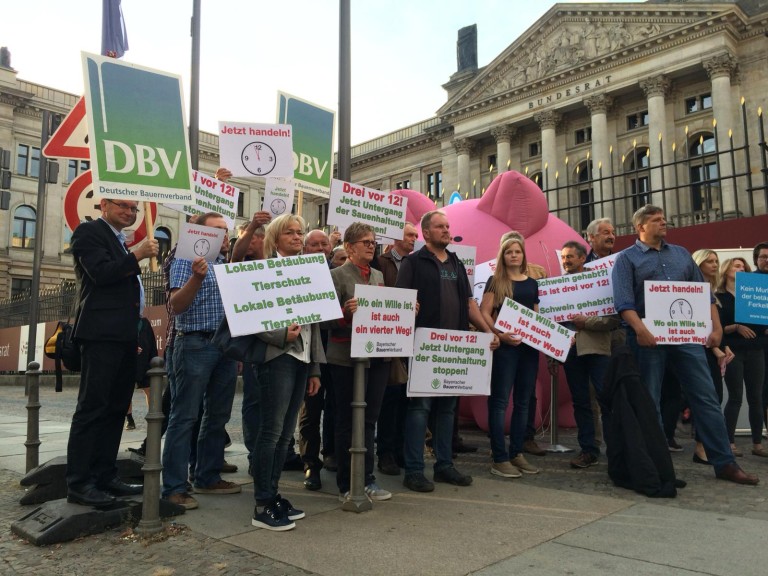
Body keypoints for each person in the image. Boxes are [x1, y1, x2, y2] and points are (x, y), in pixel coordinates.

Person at [612, 204, 758, 485]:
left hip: (686, 339)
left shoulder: (680, 254)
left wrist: (715, 327)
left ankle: (725, 463)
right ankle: (657, 466)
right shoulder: (626, 259)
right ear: (640, 227)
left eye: (664, 218)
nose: (664, 222)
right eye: (656, 220)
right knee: (650, 401)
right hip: (648, 339)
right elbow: (624, 302)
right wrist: (640, 330)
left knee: (706, 397)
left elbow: (703, 294)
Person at [396, 210, 499, 492]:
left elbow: (469, 304)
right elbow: (400, 302)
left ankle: (444, 466)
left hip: (454, 348)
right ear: (426, 233)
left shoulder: (455, 261)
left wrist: (489, 332)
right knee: (420, 409)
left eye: (447, 226)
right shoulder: (413, 262)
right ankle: (415, 469)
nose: (446, 230)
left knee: (447, 409)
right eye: (440, 226)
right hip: (424, 347)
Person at [66, 198, 158, 507]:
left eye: (134, 209)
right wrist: (137, 255)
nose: (130, 213)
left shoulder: (120, 242)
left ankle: (105, 475)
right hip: (100, 335)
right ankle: (79, 483)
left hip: (123, 336)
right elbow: (102, 274)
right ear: (104, 204)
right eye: (124, 206)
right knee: (93, 407)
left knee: (117, 407)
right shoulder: (88, 233)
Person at [250, 214, 324, 531]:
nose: (297, 237)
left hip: (303, 359)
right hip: (277, 357)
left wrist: (315, 368)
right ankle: (262, 503)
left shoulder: (311, 271)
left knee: (284, 435)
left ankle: (275, 493)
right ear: (276, 238)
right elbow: (251, 316)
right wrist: (281, 335)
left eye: (300, 232)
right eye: (291, 233)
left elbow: (316, 322)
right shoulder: (263, 270)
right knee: (271, 431)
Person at [162, 212, 240, 510]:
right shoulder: (185, 260)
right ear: (199, 233)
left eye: (225, 231)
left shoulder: (224, 265)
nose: (223, 236)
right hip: (194, 344)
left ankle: (207, 475)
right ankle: (174, 488)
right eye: (217, 230)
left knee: (217, 416)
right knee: (184, 418)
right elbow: (175, 305)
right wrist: (197, 276)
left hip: (225, 348)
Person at [323, 222, 392, 502]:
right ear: (349, 247)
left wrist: (402, 309)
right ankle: (347, 482)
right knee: (346, 420)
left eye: (373, 241)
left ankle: (368, 478)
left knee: (370, 419)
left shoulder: (377, 275)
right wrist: (344, 312)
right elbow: (324, 319)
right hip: (345, 359)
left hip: (375, 356)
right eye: (365, 242)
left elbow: (384, 312)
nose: (371, 245)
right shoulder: (337, 276)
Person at [480, 235, 541, 478]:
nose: (514, 255)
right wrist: (499, 334)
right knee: (500, 402)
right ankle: (499, 457)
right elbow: (485, 312)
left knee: (523, 402)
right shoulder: (495, 281)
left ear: (523, 255)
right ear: (502, 256)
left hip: (529, 350)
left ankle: (516, 452)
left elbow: (537, 318)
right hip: (505, 349)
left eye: (517, 251)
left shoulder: (532, 283)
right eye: (509, 252)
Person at [554, 241, 618, 469]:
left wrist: (586, 321)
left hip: (597, 349)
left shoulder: (600, 282)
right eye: (563, 257)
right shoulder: (557, 287)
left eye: (570, 256)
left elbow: (613, 319)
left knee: (607, 399)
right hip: (570, 352)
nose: (566, 261)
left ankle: (617, 448)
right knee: (581, 403)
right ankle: (588, 450)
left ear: (583, 258)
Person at [375, 222, 419, 476]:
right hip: (388, 335)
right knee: (390, 397)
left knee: (406, 396)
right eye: (409, 235)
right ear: (395, 238)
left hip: (412, 336)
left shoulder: (415, 263)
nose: (414, 239)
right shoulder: (381, 263)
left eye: (415, 235)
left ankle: (401, 449)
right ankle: (386, 453)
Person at [717, 257, 767, 458]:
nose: (741, 268)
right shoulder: (719, 296)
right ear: (726, 270)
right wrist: (736, 327)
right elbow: (717, 327)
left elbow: (761, 320)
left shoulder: (755, 294)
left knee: (756, 397)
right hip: (733, 350)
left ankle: (757, 443)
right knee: (736, 397)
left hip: (756, 349)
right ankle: (729, 441)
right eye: (737, 265)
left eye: (744, 266)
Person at [298, 228, 336, 491]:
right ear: (305, 248)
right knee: (310, 410)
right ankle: (310, 462)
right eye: (315, 244)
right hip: (310, 349)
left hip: (336, 348)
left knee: (335, 406)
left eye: (325, 244)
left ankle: (332, 453)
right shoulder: (298, 273)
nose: (321, 248)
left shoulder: (339, 271)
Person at [688, 249, 734, 464]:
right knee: (707, 398)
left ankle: (707, 445)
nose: (715, 265)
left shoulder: (713, 291)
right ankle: (700, 446)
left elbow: (718, 325)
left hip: (716, 349)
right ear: (699, 264)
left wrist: (723, 346)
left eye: (716, 261)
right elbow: (697, 323)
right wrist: (714, 349)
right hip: (701, 351)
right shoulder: (694, 290)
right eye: (709, 261)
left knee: (715, 397)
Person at [753, 241, 768, 432]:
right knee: (763, 390)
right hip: (760, 345)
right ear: (756, 260)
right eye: (763, 257)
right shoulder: (748, 282)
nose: (767, 260)